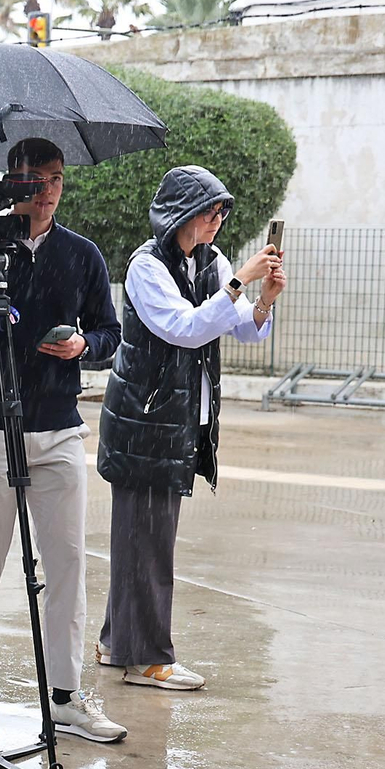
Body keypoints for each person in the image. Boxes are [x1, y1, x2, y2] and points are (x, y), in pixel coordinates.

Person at [0, 137, 128, 743]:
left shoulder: (82, 254)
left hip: (59, 425)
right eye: (35, 179)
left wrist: (83, 346)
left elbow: (110, 333)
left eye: (56, 178)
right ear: (12, 182)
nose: (46, 191)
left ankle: (65, 694)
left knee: (67, 561)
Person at [96, 166, 286, 690]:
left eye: (222, 211)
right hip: (144, 421)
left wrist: (264, 298)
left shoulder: (211, 261)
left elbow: (241, 327)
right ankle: (148, 659)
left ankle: (116, 642)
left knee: (141, 538)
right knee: (147, 543)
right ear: (180, 213)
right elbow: (184, 328)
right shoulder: (146, 266)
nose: (217, 219)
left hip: (175, 420)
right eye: (208, 210)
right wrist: (240, 282)